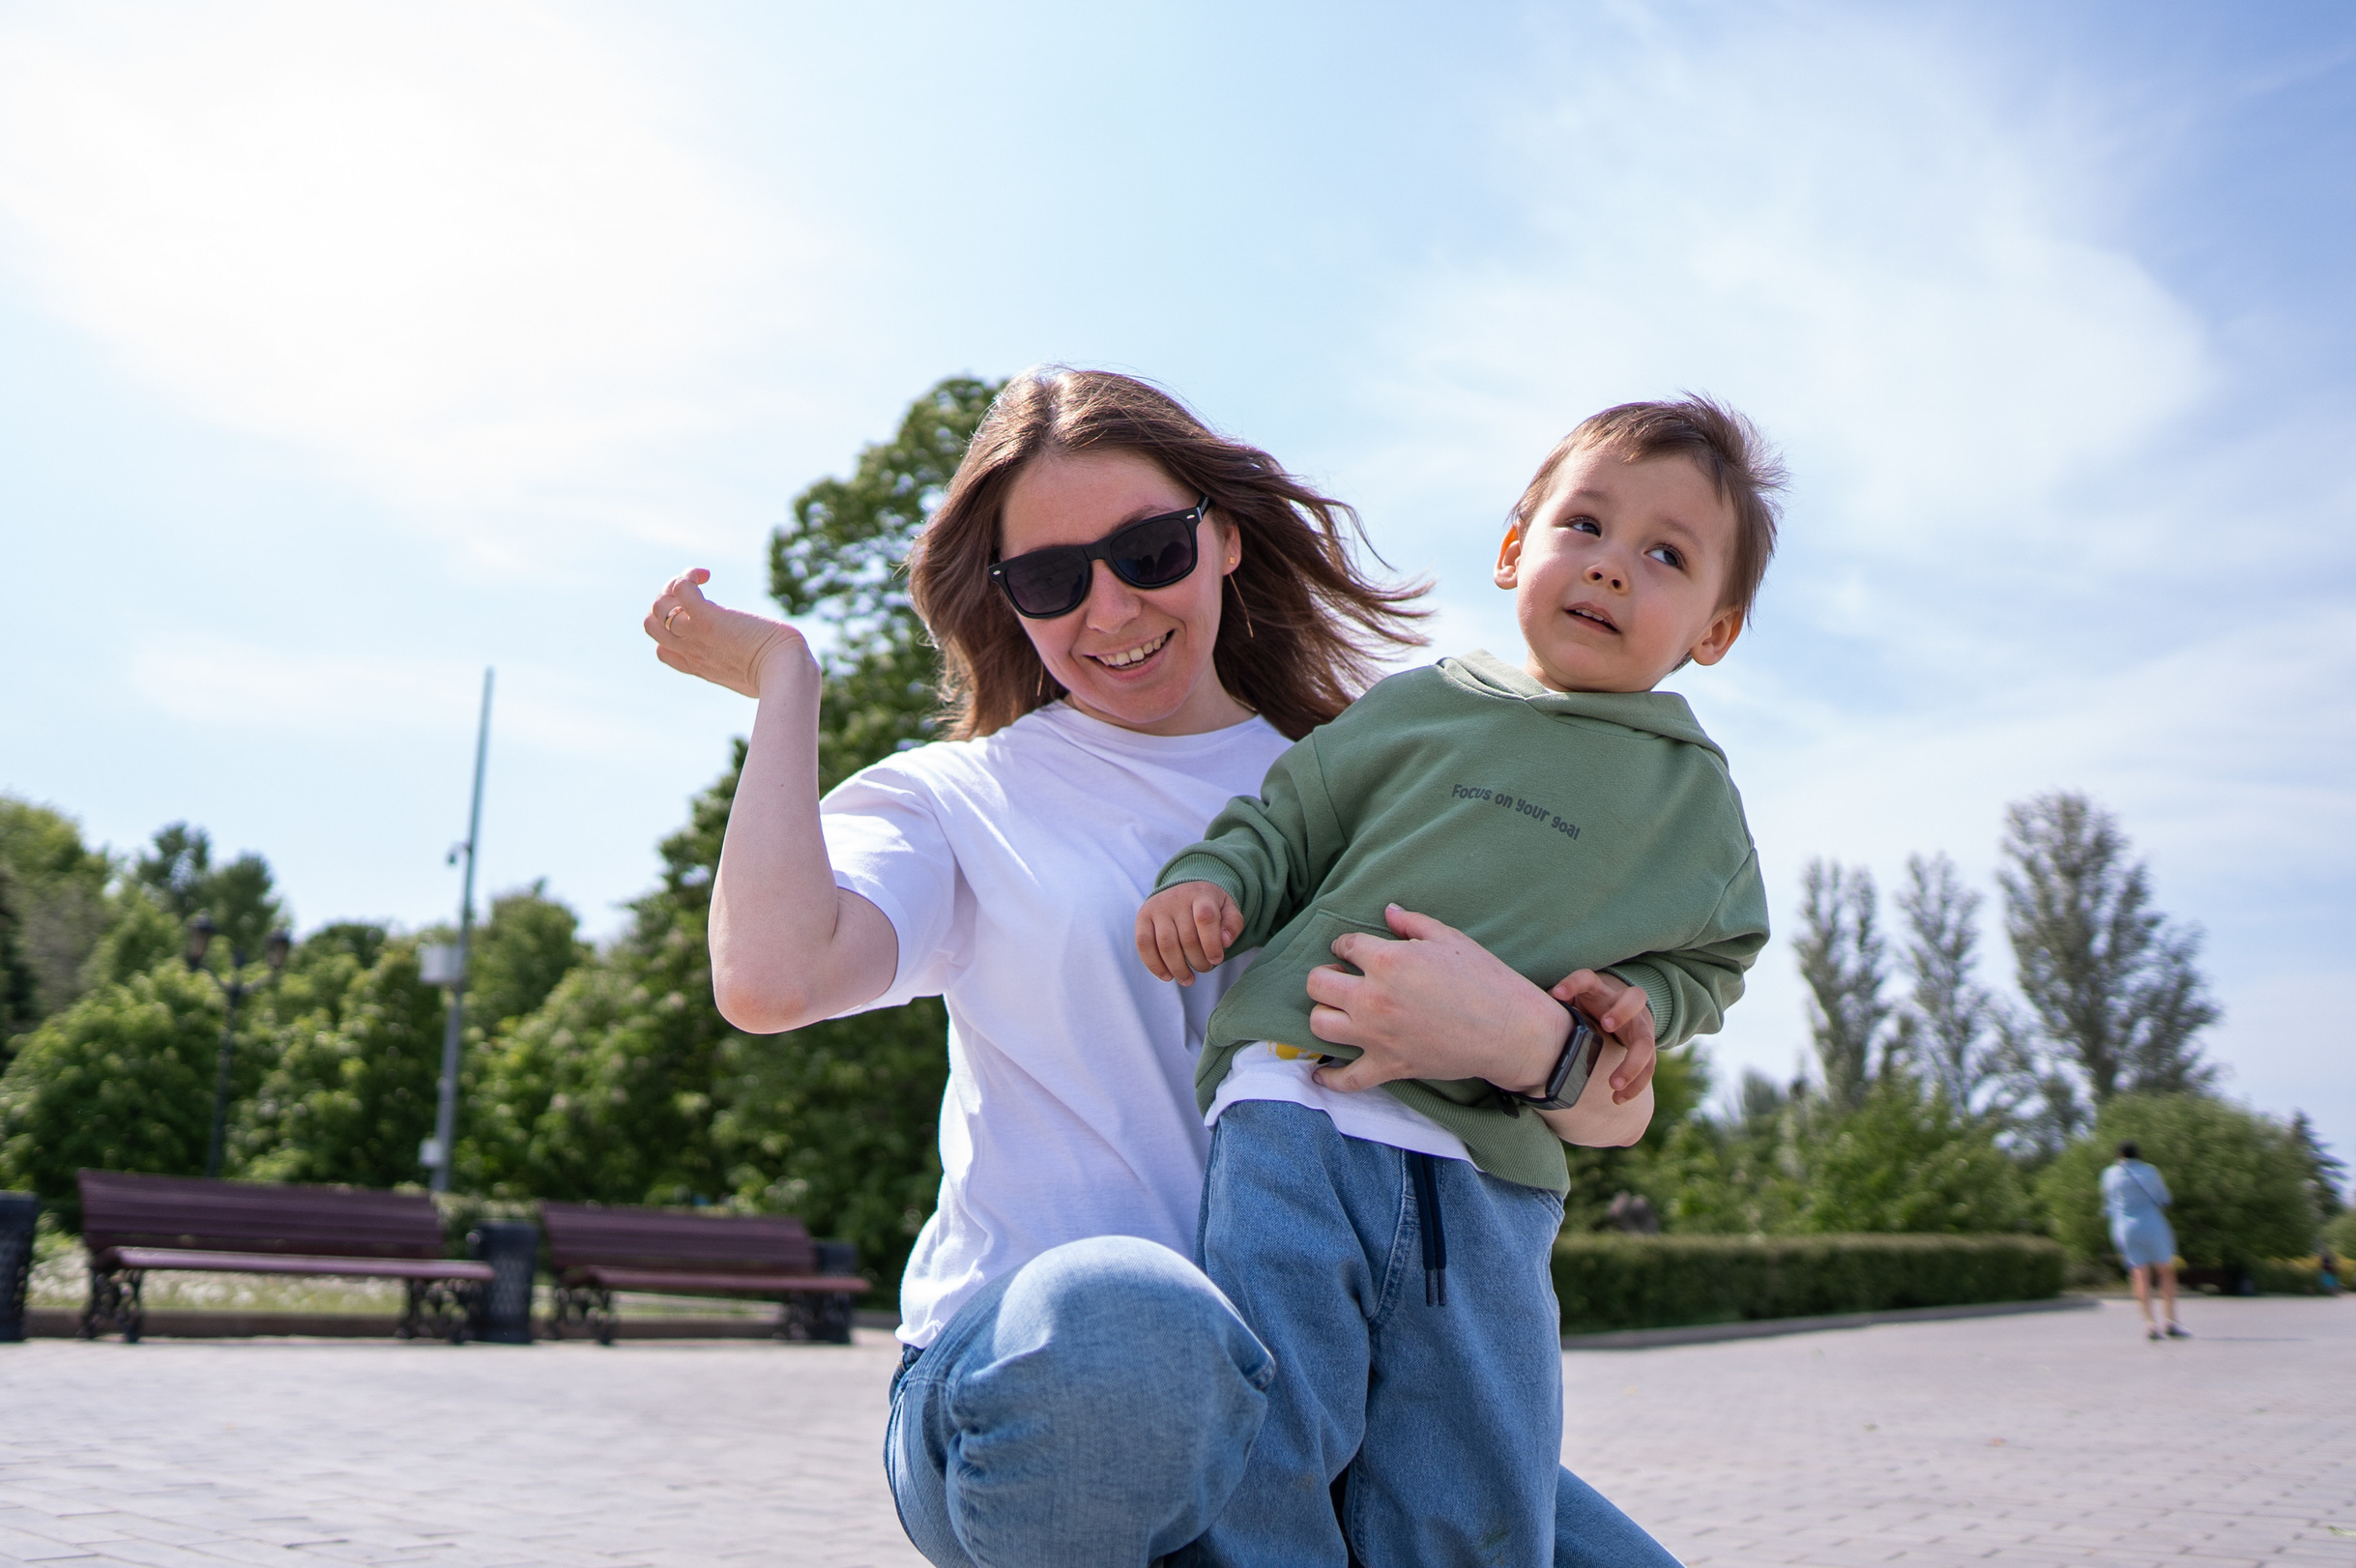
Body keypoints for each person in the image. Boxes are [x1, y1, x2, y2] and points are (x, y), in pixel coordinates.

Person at [645, 367, 1686, 1568]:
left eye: (1147, 552)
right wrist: (786, 683)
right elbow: (771, 978)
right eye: (1048, 580)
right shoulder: (969, 794)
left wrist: (1518, 1041)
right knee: (1136, 1329)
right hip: (1046, 1391)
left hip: (1335, 1400)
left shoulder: (1372, 782)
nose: (1107, 610)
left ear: (1223, 540)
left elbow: (1616, 1106)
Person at [1138, 397, 1778, 1564]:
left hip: (1492, 1177)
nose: (1611, 568)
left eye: (1666, 555)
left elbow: (1716, 956)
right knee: (1265, 1427)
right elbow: (1278, 825)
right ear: (1512, 548)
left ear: (1715, 630)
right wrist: (1209, 884)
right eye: (1582, 524)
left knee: (1471, 1476)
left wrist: (1648, 1006)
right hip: (1297, 1112)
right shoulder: (1412, 709)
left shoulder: (1693, 800)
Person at [2103, 1139, 2187, 1340]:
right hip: (2152, 1224)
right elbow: (2164, 1198)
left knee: (2139, 1274)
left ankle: (2149, 1324)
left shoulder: (2109, 1174)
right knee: (2166, 1270)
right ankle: (2171, 1321)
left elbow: (2109, 1204)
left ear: (2119, 1155)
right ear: (2138, 1154)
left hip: (2124, 1227)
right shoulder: (2150, 1171)